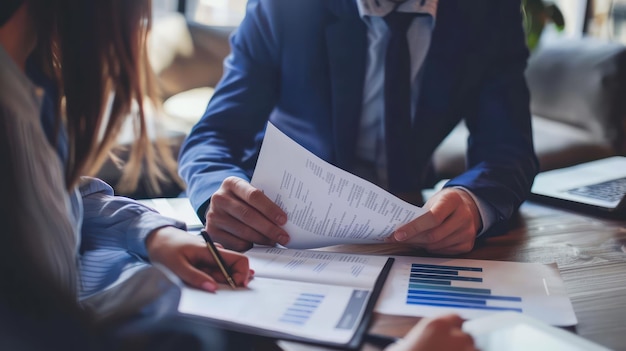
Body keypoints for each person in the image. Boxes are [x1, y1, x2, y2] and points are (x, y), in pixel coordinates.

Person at [178, 0, 539, 254]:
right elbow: (213, 136)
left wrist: (473, 203)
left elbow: (508, 149)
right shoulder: (284, 7)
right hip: (287, 230)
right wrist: (218, 196)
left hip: (412, 230)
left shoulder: (490, 11)